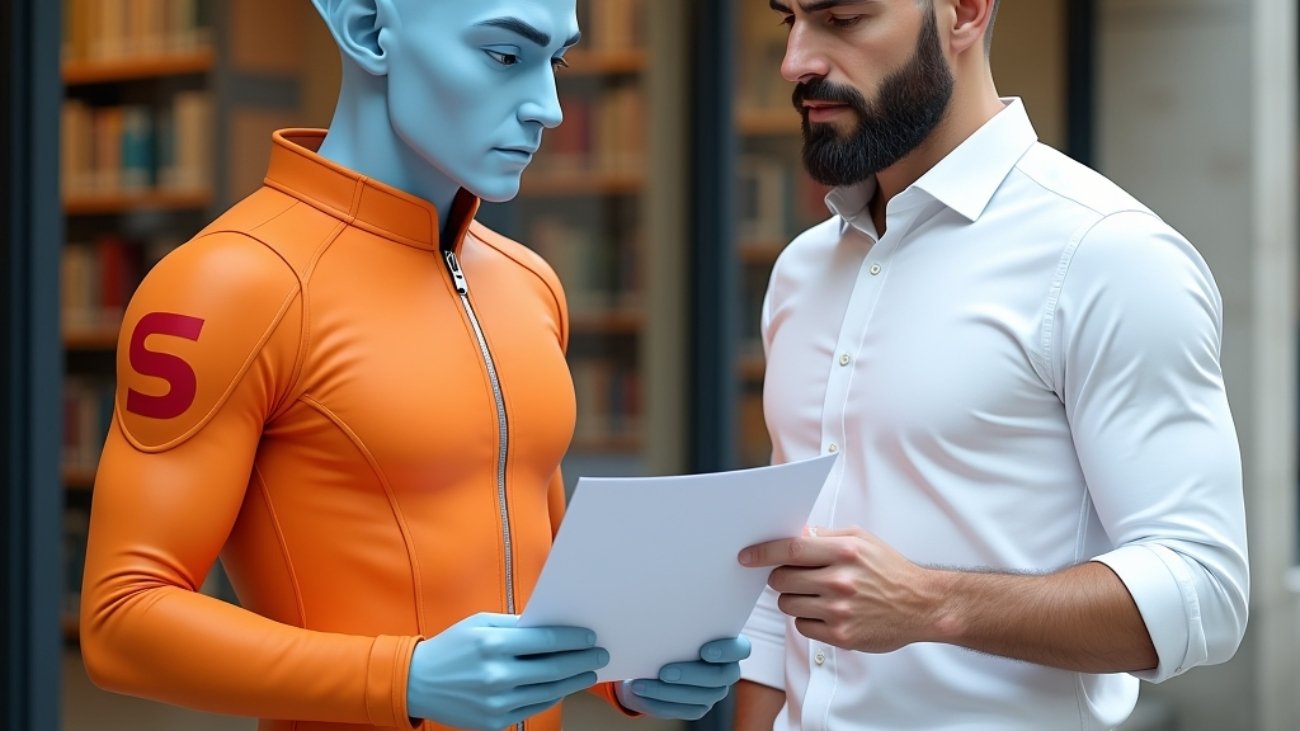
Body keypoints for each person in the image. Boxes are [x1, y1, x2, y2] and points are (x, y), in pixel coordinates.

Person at [78, 1, 747, 729]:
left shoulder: (529, 283)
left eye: (555, 61)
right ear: (366, 28)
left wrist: (628, 672)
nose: (550, 108)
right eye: (504, 56)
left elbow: (544, 585)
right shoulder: (229, 284)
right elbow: (121, 619)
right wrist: (406, 678)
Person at [731, 1, 1248, 729]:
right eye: (790, 21)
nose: (796, 62)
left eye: (842, 18)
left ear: (966, 11)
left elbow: (1205, 593)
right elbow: (780, 590)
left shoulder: (1106, 256)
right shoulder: (799, 272)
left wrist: (930, 603)